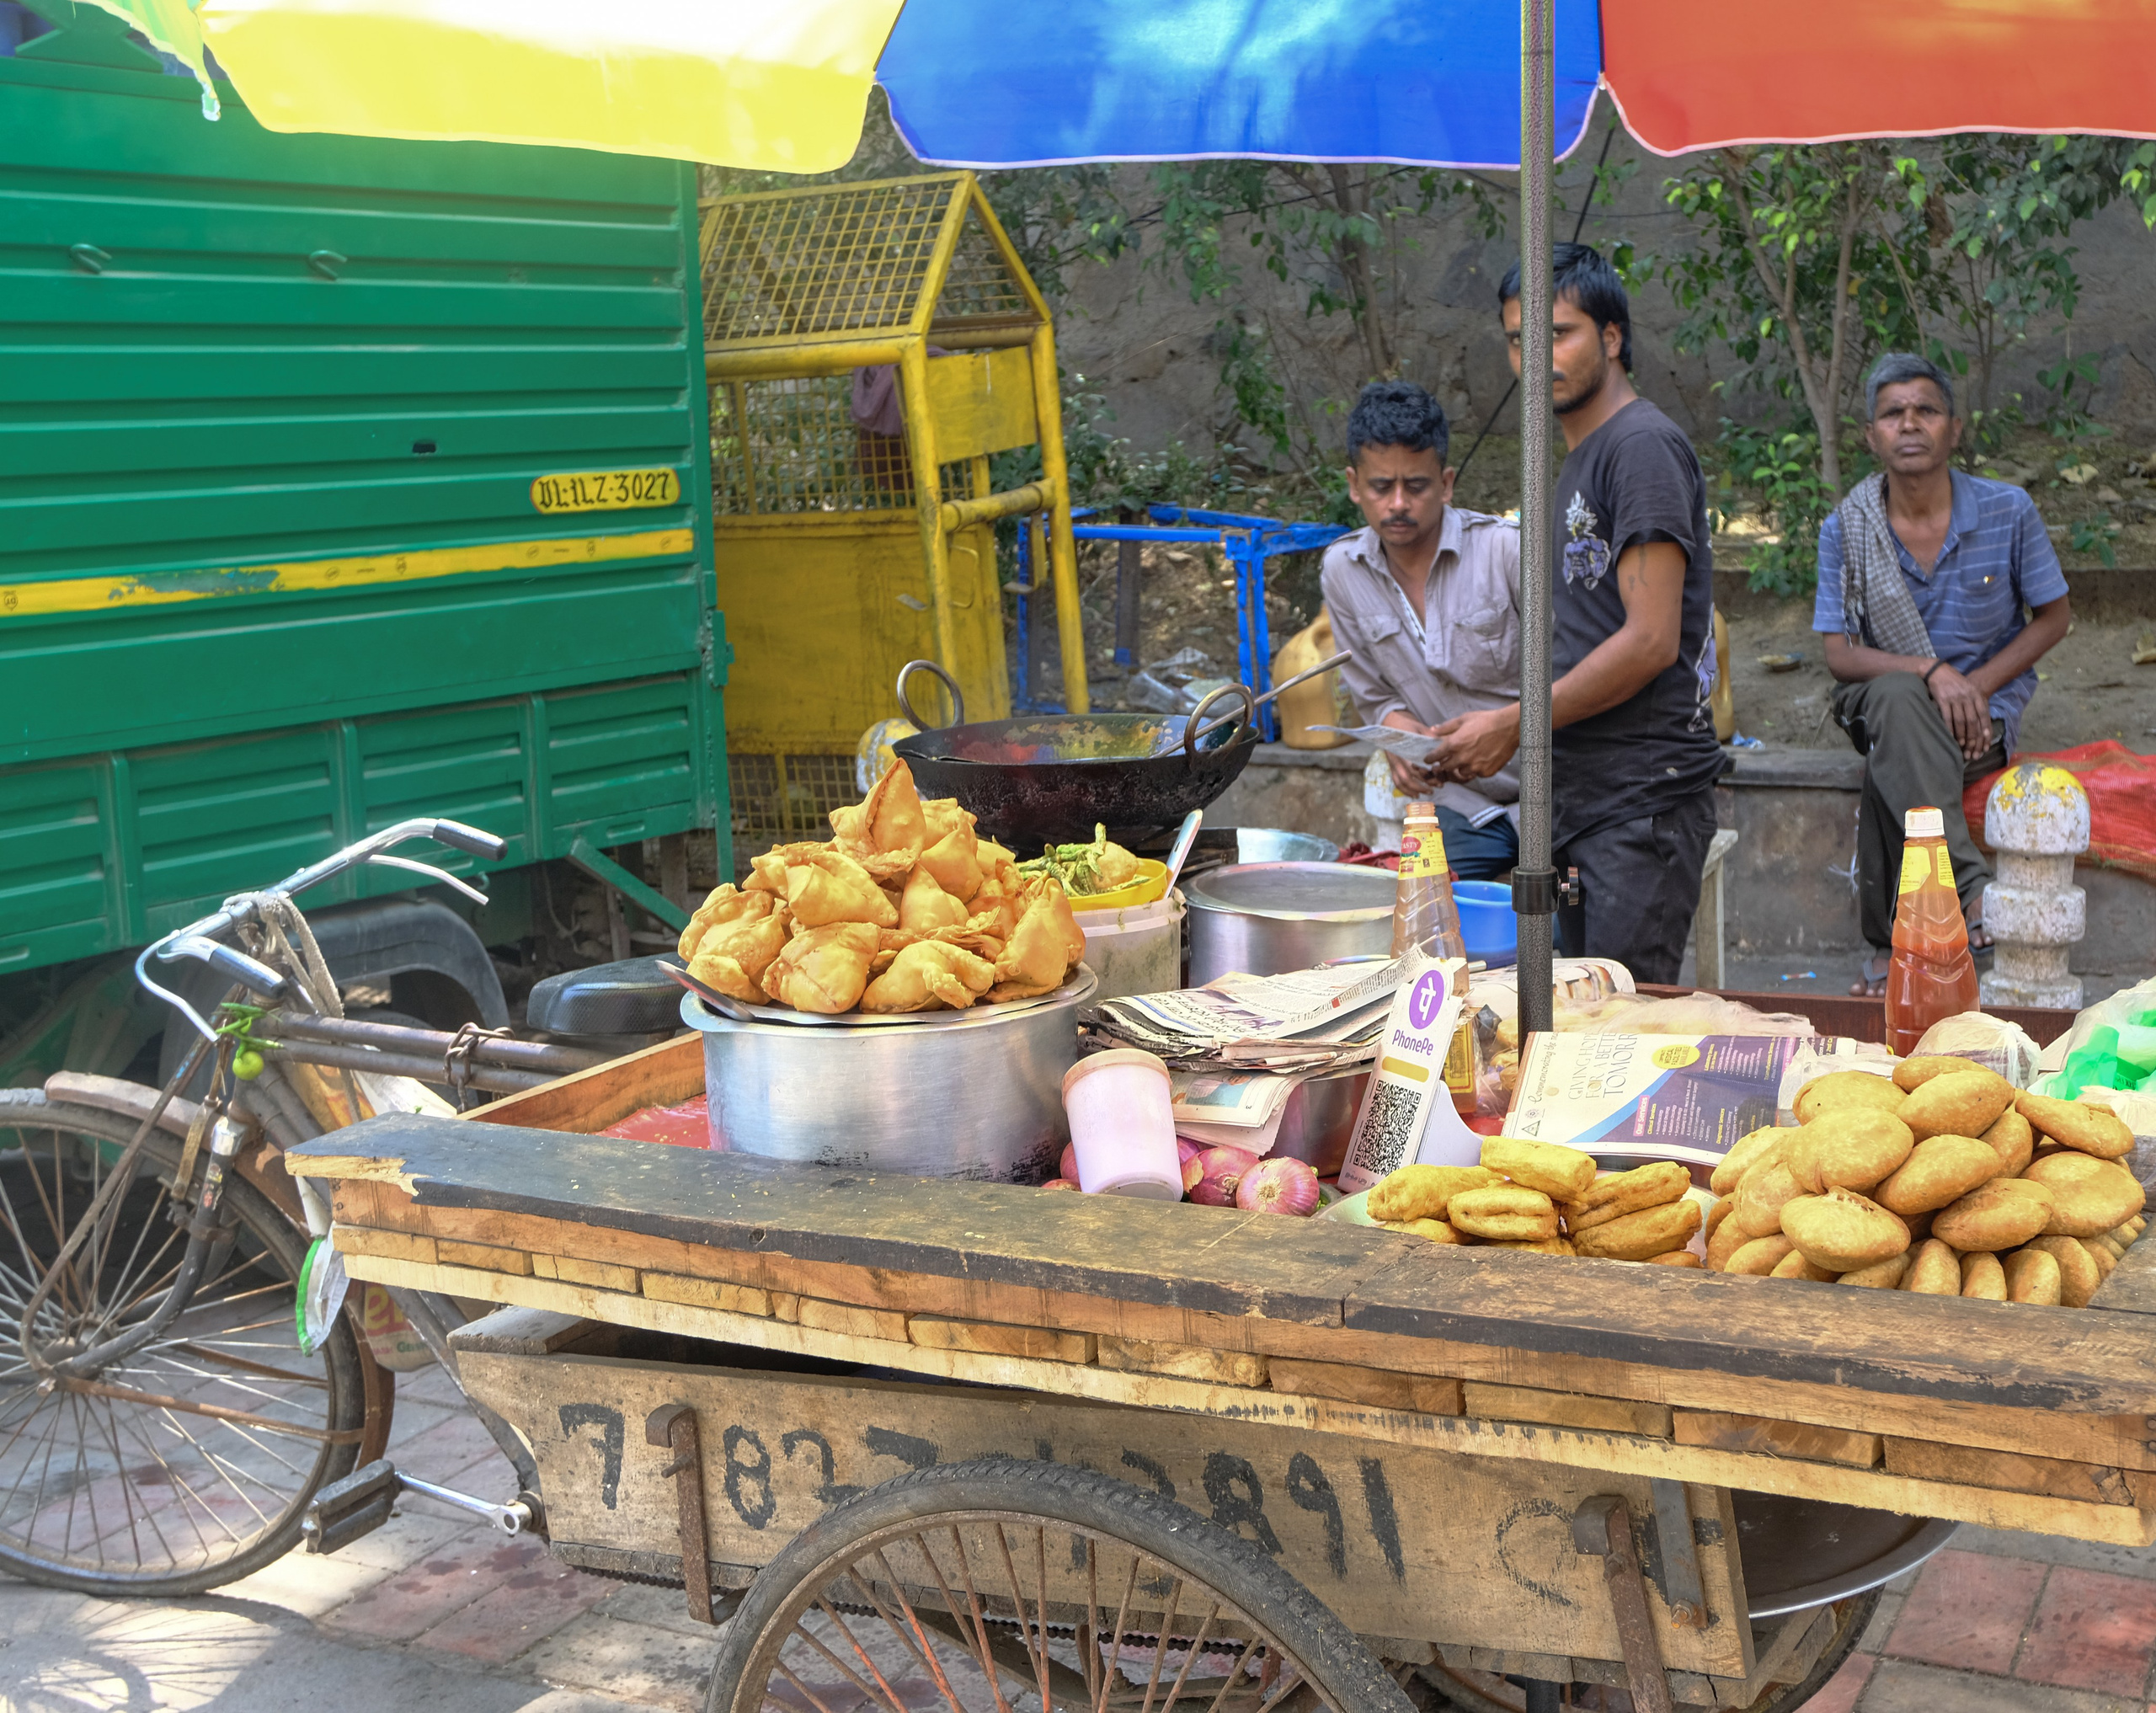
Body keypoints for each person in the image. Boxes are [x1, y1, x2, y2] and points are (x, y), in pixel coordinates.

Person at [1433, 243, 1723, 985]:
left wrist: (1512, 724)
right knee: (1583, 1028)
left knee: (1621, 1036)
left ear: (1612, 337)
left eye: (1558, 334)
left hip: (1642, 801)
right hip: (1587, 799)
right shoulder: (1582, 458)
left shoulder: (1642, 448)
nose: (1537, 356)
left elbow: (1652, 639)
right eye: (1518, 339)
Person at [1816, 352, 2072, 995]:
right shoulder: (1846, 528)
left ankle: (1892, 948)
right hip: (1882, 697)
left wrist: (1974, 687)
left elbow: (2055, 617)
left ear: (1954, 429)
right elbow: (1841, 655)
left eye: (1926, 411)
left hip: (1981, 719)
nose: (1910, 424)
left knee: (1894, 760)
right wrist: (1933, 672)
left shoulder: (2008, 511)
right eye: (1893, 413)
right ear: (1872, 435)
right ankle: (1970, 886)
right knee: (1903, 702)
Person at [1319, 380, 1523, 878]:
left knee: (1568, 940)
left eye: (1416, 486)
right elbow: (1373, 694)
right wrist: (1397, 734)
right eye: (1380, 487)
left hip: (1559, 793)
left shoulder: (1506, 552)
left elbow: (1582, 673)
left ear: (1447, 483)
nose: (1397, 504)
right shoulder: (1342, 570)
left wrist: (1515, 723)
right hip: (1458, 802)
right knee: (1415, 914)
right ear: (1353, 484)